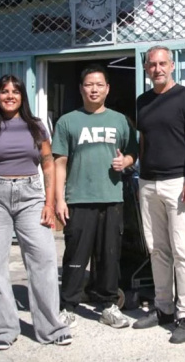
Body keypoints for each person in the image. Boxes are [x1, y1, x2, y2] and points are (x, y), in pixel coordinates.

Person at [0, 74, 71, 350]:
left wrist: (49, 203)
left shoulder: (36, 126)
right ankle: (3, 330)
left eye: (15, 91)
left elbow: (48, 164)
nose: (10, 96)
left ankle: (51, 328)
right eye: (4, 91)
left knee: (43, 259)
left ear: (23, 96)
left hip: (30, 195)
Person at [53, 65, 138, 330]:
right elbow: (59, 163)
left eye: (99, 85)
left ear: (107, 89)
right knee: (75, 256)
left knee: (109, 256)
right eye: (89, 84)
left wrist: (125, 161)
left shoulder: (120, 121)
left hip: (111, 197)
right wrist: (59, 199)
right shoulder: (67, 121)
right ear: (81, 88)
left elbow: (133, 153)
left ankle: (109, 306)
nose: (94, 89)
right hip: (78, 198)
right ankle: (68, 306)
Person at [132, 45, 185, 344]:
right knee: (157, 250)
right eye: (152, 64)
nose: (158, 69)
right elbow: (144, 140)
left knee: (183, 250)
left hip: (179, 183)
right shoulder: (143, 101)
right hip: (148, 183)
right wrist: (139, 173)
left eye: (163, 63)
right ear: (146, 69)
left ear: (172, 66)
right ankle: (163, 308)